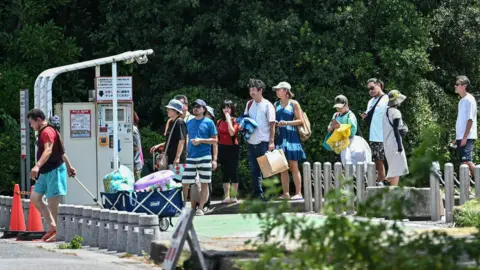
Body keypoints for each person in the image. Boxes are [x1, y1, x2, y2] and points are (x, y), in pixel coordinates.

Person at [28, 109, 76, 242]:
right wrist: (69, 166)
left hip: (54, 170)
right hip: (45, 172)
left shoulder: (47, 131)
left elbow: (49, 150)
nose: (31, 126)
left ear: (38, 120)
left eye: (31, 123)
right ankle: (52, 227)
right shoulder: (45, 131)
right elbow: (60, 151)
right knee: (35, 197)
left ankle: (58, 232)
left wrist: (37, 166)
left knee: (53, 203)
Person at [183, 99, 218, 215]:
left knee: (204, 182)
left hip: (205, 156)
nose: (195, 108)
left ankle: (201, 208)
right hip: (191, 156)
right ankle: (183, 207)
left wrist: (201, 141)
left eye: (198, 106)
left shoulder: (209, 122)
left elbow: (215, 140)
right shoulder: (189, 122)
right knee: (185, 182)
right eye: (194, 106)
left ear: (204, 109)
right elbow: (185, 138)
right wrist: (186, 150)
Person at [273, 82, 306, 200]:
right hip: (280, 137)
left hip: (292, 137)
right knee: (282, 167)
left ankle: (299, 193)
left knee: (293, 165)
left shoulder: (294, 103)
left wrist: (287, 122)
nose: (276, 91)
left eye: (278, 89)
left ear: (286, 91)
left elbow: (301, 121)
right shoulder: (275, 104)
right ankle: (286, 193)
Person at [244, 79, 276, 200]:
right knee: (254, 170)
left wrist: (271, 141)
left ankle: (269, 194)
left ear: (260, 90)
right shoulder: (249, 104)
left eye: (254, 90)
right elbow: (246, 119)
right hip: (251, 141)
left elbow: (272, 123)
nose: (252, 92)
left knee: (266, 169)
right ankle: (258, 193)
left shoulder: (268, 105)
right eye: (250, 90)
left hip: (264, 141)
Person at [150, 99, 188, 185]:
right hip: (170, 158)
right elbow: (170, 140)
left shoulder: (180, 122)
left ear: (175, 111)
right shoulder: (171, 122)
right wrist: (159, 145)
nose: (168, 110)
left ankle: (180, 198)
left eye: (170, 109)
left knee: (177, 182)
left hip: (177, 160)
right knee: (171, 182)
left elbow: (181, 141)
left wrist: (177, 157)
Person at [361, 78, 389, 184]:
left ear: (379, 85)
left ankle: (385, 180)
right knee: (377, 159)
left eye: (372, 88)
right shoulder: (370, 101)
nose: (370, 91)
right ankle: (381, 180)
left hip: (385, 134)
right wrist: (365, 116)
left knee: (384, 158)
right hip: (373, 134)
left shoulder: (387, 99)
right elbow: (370, 114)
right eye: (369, 89)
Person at [452, 75, 477, 175]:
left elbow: (470, 120)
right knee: (464, 164)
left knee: (467, 161)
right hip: (461, 137)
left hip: (467, 137)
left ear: (464, 86)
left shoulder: (469, 100)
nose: (455, 86)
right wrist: (457, 138)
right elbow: (462, 121)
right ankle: (466, 190)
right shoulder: (461, 101)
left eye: (457, 84)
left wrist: (464, 137)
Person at [216, 100, 241, 203]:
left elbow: (232, 133)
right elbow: (217, 136)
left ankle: (233, 196)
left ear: (232, 109)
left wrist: (228, 119)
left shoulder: (236, 120)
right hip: (222, 147)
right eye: (224, 107)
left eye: (228, 107)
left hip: (233, 148)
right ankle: (226, 196)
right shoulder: (218, 122)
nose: (226, 109)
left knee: (233, 171)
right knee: (225, 172)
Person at [383, 90, 409, 186]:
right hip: (394, 143)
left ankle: (384, 183)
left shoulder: (386, 112)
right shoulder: (396, 112)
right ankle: (392, 190)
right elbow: (396, 129)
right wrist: (399, 145)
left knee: (393, 168)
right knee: (396, 170)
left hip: (387, 143)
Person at [133, 111, 144, 180]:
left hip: (136, 163)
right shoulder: (134, 128)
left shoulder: (133, 129)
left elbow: (137, 148)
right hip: (137, 162)